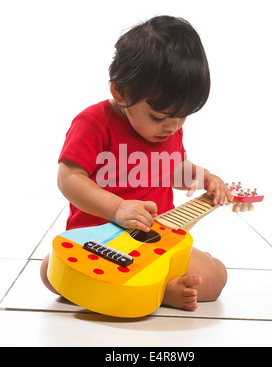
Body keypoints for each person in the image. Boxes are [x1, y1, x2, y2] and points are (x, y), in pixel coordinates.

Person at [41, 15, 231, 311]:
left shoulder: (169, 129)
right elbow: (69, 178)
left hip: (155, 247)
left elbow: (172, 169)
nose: (172, 127)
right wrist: (117, 208)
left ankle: (161, 290)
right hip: (100, 243)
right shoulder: (94, 123)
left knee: (215, 277)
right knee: (50, 273)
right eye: (159, 117)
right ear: (121, 91)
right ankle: (154, 289)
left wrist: (203, 177)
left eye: (182, 116)